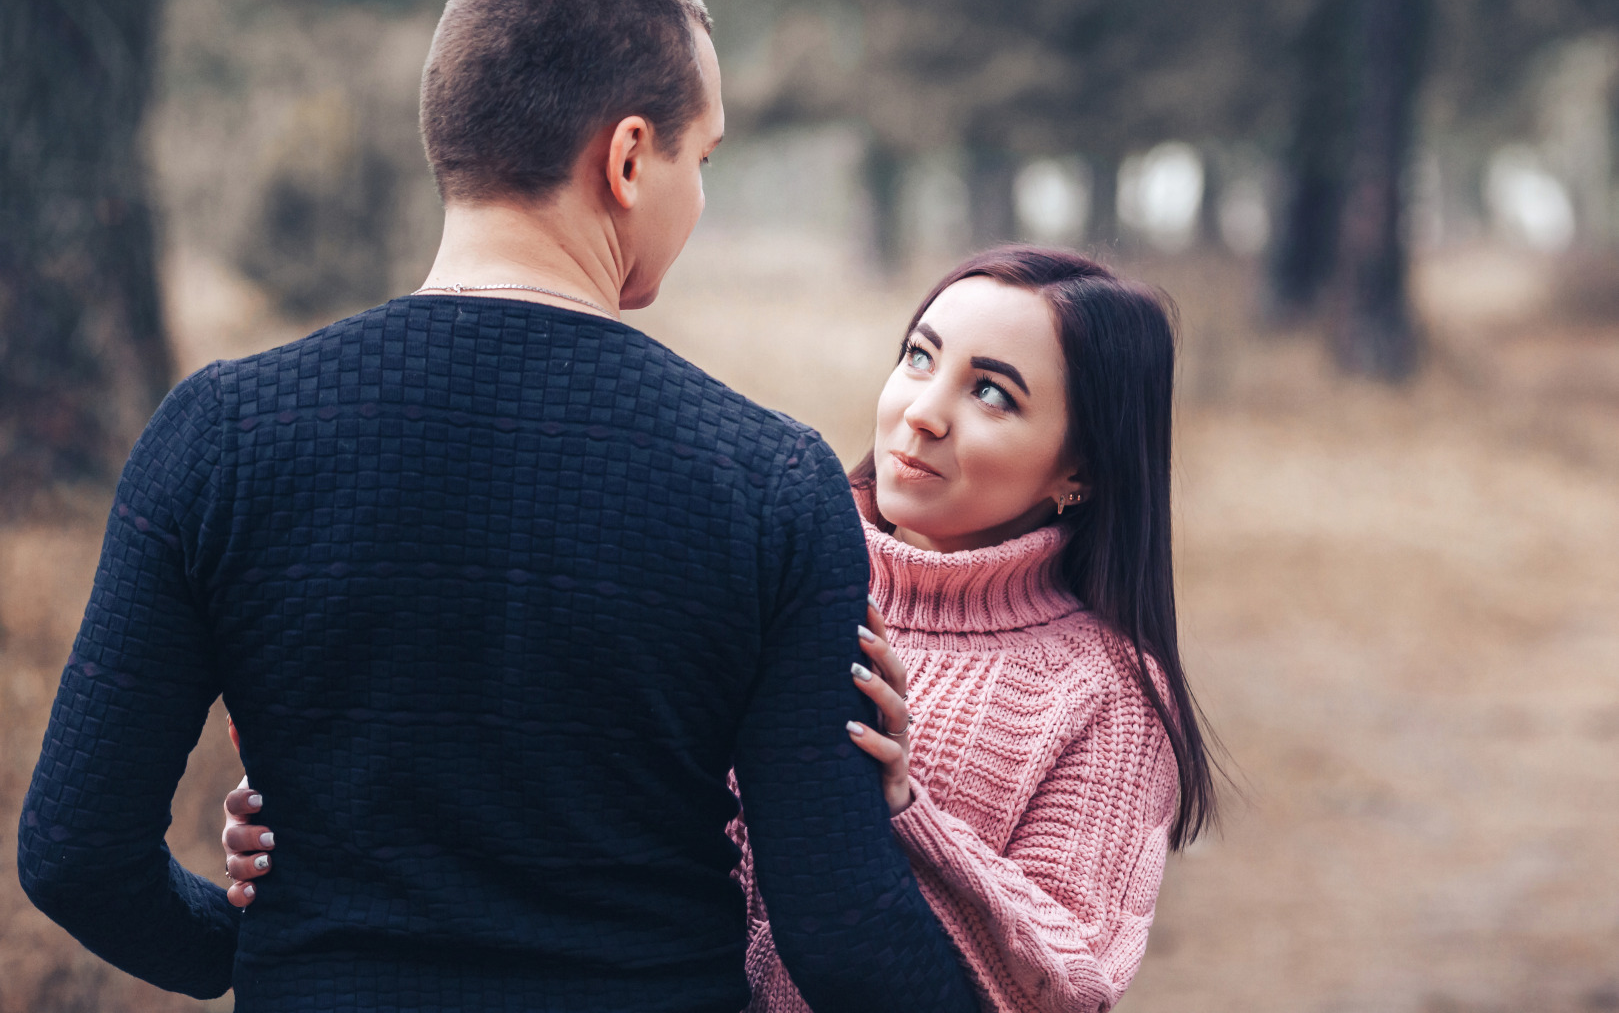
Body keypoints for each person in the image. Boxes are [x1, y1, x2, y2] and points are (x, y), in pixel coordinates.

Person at [15, 0, 978, 1012]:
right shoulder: (768, 483)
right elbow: (841, 928)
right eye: (697, 161)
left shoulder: (221, 435)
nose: (696, 200)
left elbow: (74, 852)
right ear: (624, 160)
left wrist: (260, 954)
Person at [227, 246, 1221, 1012]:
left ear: (1078, 470)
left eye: (990, 392)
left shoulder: (1105, 692)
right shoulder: (761, 565)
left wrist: (900, 806)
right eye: (918, 357)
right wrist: (322, 810)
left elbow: (1071, 974)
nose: (921, 413)